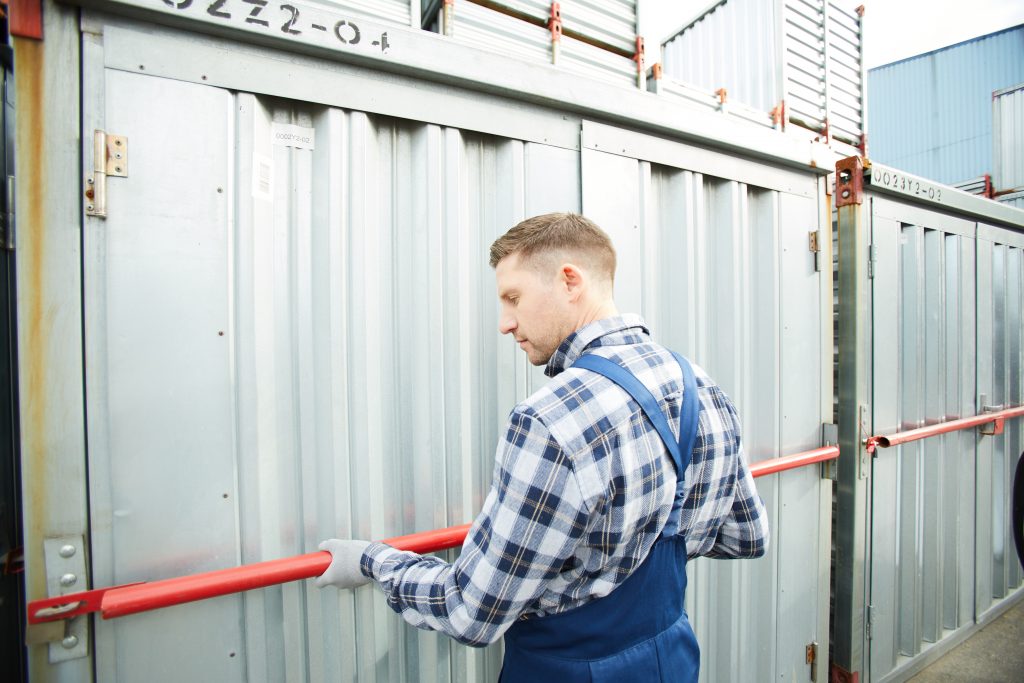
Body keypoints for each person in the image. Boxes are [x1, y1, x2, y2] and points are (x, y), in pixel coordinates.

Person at [316, 212, 769, 681]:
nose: (505, 323)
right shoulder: (699, 383)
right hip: (671, 659)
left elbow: (471, 611)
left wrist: (371, 561)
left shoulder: (551, 419)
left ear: (570, 280)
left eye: (513, 298)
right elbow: (746, 536)